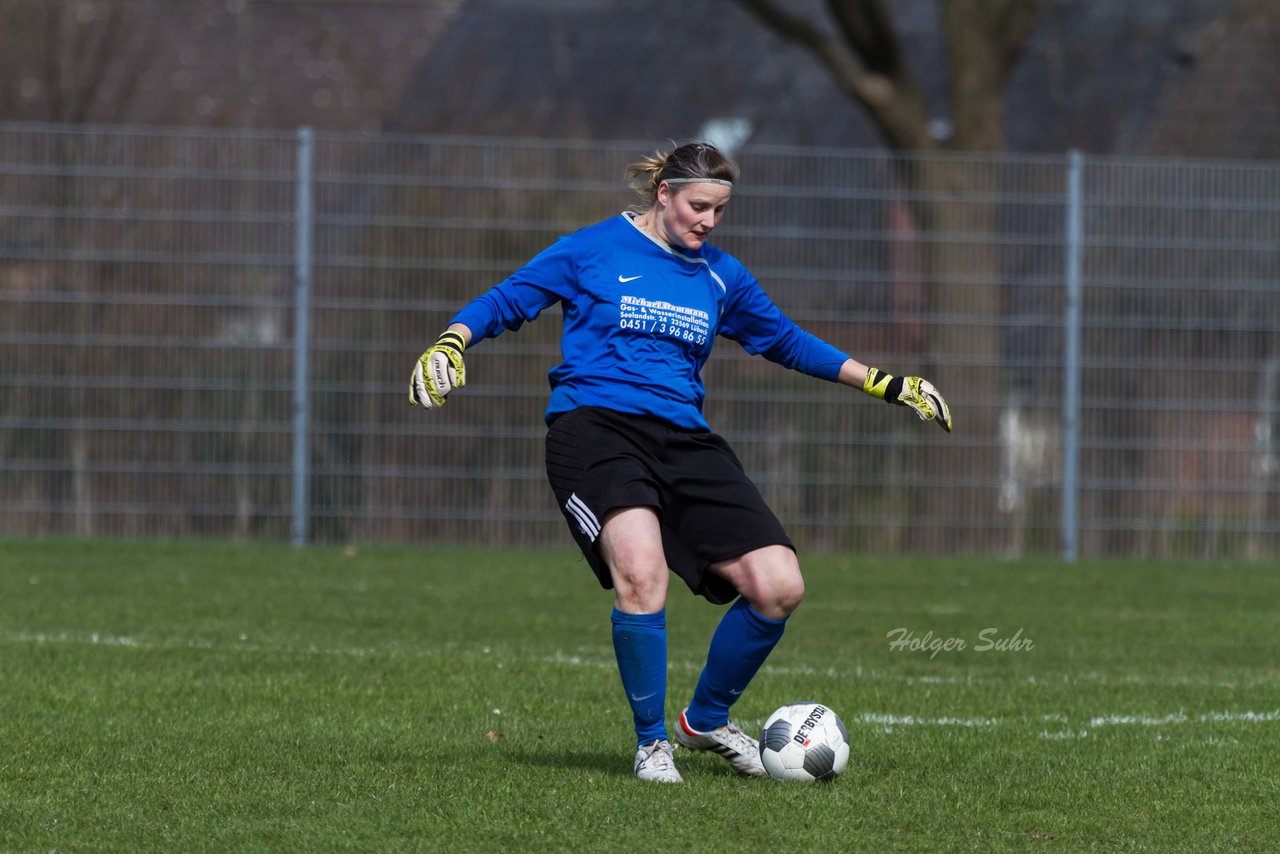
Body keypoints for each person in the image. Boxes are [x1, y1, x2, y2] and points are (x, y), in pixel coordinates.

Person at [409, 141, 951, 783]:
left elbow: (785, 341)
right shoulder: (591, 249)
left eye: (720, 211)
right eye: (698, 207)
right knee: (641, 573)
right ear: (662, 193)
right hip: (596, 429)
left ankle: (706, 722)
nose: (709, 222)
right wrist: (452, 341)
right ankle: (651, 744)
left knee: (779, 585)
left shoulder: (722, 275)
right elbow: (506, 300)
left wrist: (887, 383)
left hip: (684, 441)